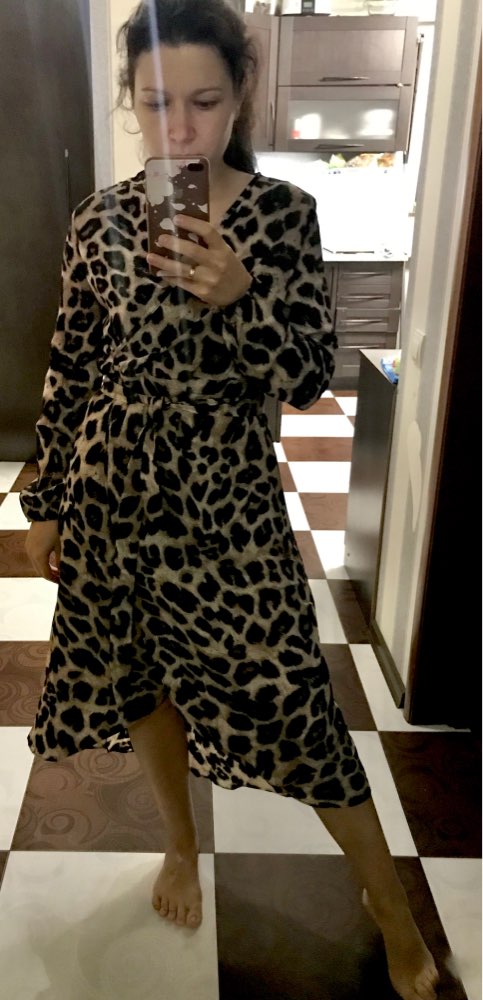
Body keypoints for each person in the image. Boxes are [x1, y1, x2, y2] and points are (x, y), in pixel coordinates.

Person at [20, 2, 439, 997]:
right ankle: (178, 843)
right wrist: (45, 499)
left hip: (229, 513)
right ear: (129, 101)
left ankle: (389, 905)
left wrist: (242, 295)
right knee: (139, 682)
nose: (179, 128)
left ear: (241, 93)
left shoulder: (285, 217)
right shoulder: (97, 219)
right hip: (112, 500)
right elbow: (70, 364)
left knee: (297, 705)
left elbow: (308, 378)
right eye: (156, 103)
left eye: (203, 102)